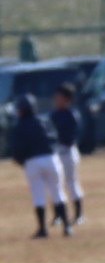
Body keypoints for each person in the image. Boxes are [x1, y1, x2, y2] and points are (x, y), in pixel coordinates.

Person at [9, 95, 71, 238]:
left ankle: (43, 229)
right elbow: (55, 138)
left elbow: (17, 149)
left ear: (23, 110)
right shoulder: (45, 120)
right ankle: (67, 227)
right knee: (58, 192)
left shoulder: (19, 126)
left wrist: (21, 161)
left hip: (32, 161)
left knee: (38, 195)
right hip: (51, 159)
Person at [49, 85, 85, 226]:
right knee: (55, 185)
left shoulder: (71, 115)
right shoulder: (53, 115)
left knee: (71, 183)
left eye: (59, 97)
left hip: (68, 152)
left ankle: (79, 214)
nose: (56, 99)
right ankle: (58, 215)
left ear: (67, 99)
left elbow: (72, 136)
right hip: (56, 153)